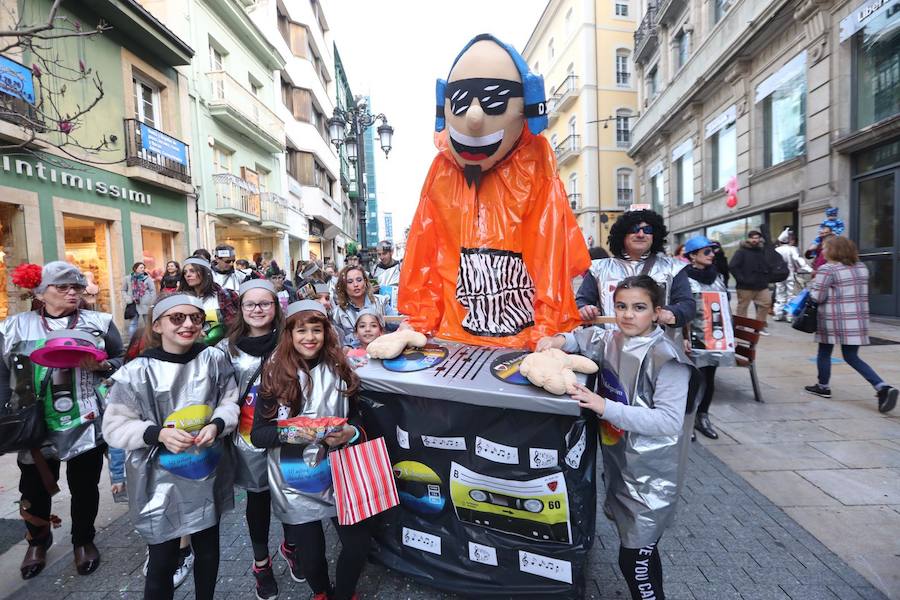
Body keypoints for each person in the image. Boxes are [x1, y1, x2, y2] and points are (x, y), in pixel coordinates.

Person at [537, 275, 694, 600]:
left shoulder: (668, 359)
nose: (627, 314)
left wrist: (603, 406)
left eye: (639, 307)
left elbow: (668, 421)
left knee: (635, 559)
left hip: (652, 477)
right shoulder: (610, 338)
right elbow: (580, 338)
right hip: (622, 465)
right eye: (621, 306)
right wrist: (557, 342)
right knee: (640, 551)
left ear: (656, 312)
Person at [102, 293, 239, 600]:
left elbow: (229, 400)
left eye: (195, 318)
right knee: (162, 560)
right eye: (177, 318)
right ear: (159, 325)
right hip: (157, 480)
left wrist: (217, 423)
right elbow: (114, 426)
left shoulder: (214, 359)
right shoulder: (137, 372)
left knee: (208, 551)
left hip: (206, 472)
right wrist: (156, 434)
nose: (188, 324)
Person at [0, 261, 124, 579]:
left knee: (84, 487)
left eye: (77, 287)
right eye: (63, 287)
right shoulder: (14, 326)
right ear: (40, 292)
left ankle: (83, 540)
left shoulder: (100, 321)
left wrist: (103, 366)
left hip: (85, 418)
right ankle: (37, 542)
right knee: (33, 489)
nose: (73, 293)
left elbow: (123, 360)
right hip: (34, 425)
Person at [251, 300, 376, 600]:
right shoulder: (274, 374)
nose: (310, 337)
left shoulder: (340, 368)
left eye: (316, 330)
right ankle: (321, 592)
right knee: (310, 553)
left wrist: (353, 432)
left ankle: (344, 594)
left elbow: (358, 415)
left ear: (326, 333)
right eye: (302, 330)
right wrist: (294, 431)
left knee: (358, 544)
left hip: (340, 471)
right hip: (293, 478)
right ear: (289, 334)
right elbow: (259, 435)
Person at [218, 280, 289, 600]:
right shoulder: (226, 349)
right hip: (248, 441)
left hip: (289, 437)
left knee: (292, 497)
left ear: (276, 307)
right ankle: (262, 564)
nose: (258, 310)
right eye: (251, 305)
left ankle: (292, 547)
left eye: (265, 304)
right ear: (241, 310)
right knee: (258, 502)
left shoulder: (290, 341)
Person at [803, 236, 898, 413]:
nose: (822, 251)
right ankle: (882, 386)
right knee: (852, 356)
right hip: (856, 319)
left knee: (824, 351)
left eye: (825, 248)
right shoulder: (861, 268)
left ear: (834, 250)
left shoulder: (828, 269)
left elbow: (817, 297)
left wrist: (812, 284)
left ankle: (823, 386)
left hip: (832, 319)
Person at [576, 209, 695, 335]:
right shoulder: (598, 268)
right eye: (634, 229)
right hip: (610, 348)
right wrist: (584, 309)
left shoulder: (673, 268)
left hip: (659, 349)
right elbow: (581, 301)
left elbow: (688, 305)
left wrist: (671, 312)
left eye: (647, 230)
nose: (641, 234)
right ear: (622, 234)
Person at [681, 236, 736, 439]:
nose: (712, 255)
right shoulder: (683, 278)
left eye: (713, 251)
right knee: (693, 379)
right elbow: (681, 309)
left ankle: (702, 416)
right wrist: (683, 336)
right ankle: (687, 418)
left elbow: (725, 308)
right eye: (706, 252)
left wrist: (731, 334)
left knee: (709, 378)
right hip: (692, 337)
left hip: (714, 336)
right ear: (693, 256)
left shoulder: (718, 277)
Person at [179, 257, 239, 346]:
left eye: (193, 271)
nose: (188, 275)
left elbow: (237, 324)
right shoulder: (181, 299)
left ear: (205, 272)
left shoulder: (225, 295)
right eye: (185, 272)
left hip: (224, 350)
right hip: (191, 350)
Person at [332, 265, 395, 348]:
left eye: (359, 280)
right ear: (343, 286)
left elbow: (396, 324)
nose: (356, 284)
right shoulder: (337, 313)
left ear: (365, 281)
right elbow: (338, 342)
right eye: (350, 282)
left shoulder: (381, 302)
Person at [728, 230, 774, 334]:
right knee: (743, 307)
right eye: (753, 238)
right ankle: (740, 328)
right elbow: (732, 266)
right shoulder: (741, 251)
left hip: (761, 285)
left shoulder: (762, 251)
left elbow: (768, 265)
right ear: (748, 239)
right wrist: (741, 279)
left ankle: (759, 326)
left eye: (757, 238)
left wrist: (767, 276)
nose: (755, 240)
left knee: (766, 303)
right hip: (745, 286)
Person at [774, 228, 811, 322]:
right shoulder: (792, 249)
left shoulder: (776, 250)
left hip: (778, 275)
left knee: (780, 294)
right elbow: (799, 261)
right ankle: (789, 315)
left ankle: (778, 313)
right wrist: (810, 269)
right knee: (791, 294)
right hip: (790, 274)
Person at [806, 207, 845, 273]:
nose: (824, 234)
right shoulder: (820, 240)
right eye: (823, 233)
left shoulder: (835, 242)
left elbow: (841, 227)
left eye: (826, 233)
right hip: (819, 268)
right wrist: (810, 250)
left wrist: (836, 233)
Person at [124, 262, 157, 340]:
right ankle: (132, 342)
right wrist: (128, 299)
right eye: (141, 268)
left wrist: (151, 302)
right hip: (133, 303)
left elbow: (153, 290)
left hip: (145, 303)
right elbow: (123, 290)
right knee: (133, 323)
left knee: (148, 323)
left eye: (143, 268)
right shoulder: (128, 278)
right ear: (135, 269)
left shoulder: (147, 278)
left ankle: (150, 340)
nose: (143, 269)